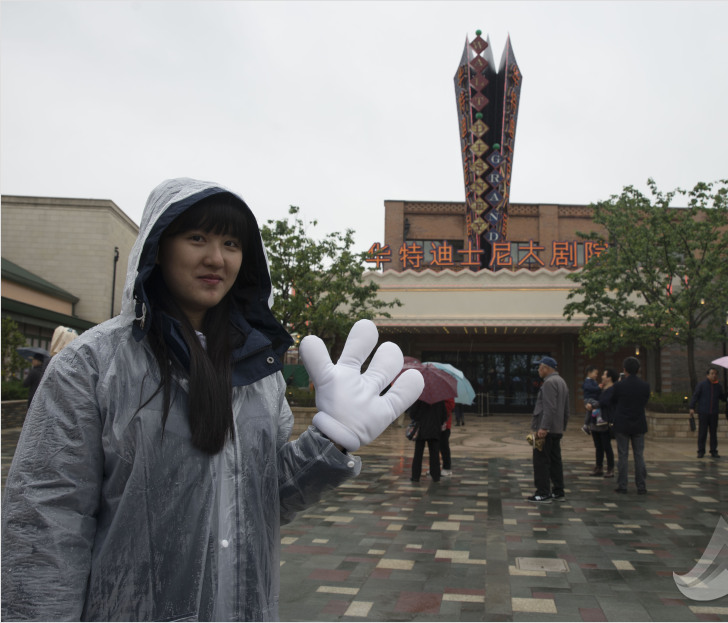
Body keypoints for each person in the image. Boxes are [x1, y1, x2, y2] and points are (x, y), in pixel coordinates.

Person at [0, 178, 423, 621]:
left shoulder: (259, 369)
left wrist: (332, 440)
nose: (216, 258)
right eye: (197, 237)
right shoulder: (91, 366)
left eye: (231, 243)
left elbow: (260, 502)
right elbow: (45, 527)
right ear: (158, 246)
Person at [603, 357, 650, 494]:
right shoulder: (645, 386)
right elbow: (644, 401)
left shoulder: (619, 386)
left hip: (622, 423)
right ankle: (641, 486)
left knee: (623, 455)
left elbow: (612, 400)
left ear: (624, 370)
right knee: (639, 455)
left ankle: (622, 485)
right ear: (638, 369)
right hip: (639, 423)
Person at [527, 356, 569, 503]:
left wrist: (544, 427)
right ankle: (558, 491)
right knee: (555, 461)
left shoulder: (549, 383)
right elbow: (566, 409)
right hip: (556, 429)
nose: (538, 370)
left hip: (546, 430)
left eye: (540, 367)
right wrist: (561, 426)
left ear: (546, 368)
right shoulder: (561, 381)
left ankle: (543, 492)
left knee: (541, 461)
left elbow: (549, 407)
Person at [583, 368, 616, 478]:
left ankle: (610, 468)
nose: (601, 376)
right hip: (595, 420)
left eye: (604, 374)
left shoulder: (612, 389)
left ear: (609, 378)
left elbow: (605, 402)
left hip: (605, 421)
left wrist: (592, 405)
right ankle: (599, 467)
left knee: (606, 446)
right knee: (598, 446)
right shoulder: (600, 389)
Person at [689, 367, 726, 458]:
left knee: (713, 433)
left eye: (715, 374)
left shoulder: (718, 386)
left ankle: (713, 450)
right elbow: (695, 396)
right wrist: (692, 407)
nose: (714, 376)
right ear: (708, 375)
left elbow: (723, 398)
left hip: (714, 412)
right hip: (703, 412)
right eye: (712, 374)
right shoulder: (702, 385)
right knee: (702, 432)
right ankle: (701, 450)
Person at [409, 399, 445, 482]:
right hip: (435, 430)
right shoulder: (439, 399)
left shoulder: (420, 398)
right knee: (434, 454)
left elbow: (412, 414)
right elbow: (444, 416)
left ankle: (415, 476)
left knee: (418, 454)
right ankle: (436, 476)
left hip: (421, 429)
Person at [440, 398, 453, 477]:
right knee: (434, 447)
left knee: (444, 446)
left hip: (444, 424)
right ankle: (434, 466)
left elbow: (450, 405)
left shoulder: (446, 393)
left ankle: (447, 468)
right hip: (434, 423)